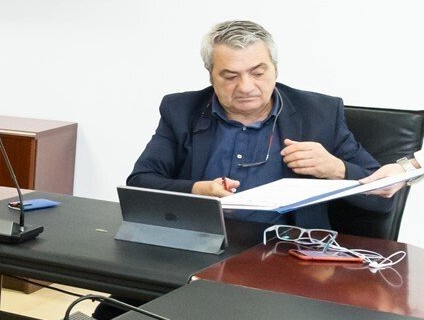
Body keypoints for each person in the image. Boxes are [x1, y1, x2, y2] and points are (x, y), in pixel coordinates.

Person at [128, 20, 399, 228]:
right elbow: (141, 183)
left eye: (257, 73)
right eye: (230, 76)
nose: (246, 87)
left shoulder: (319, 114)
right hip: (202, 242)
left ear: (275, 69)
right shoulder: (182, 111)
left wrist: (336, 169)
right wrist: (198, 191)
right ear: (211, 75)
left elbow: (382, 200)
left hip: (286, 254)